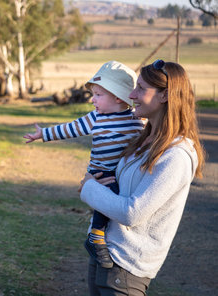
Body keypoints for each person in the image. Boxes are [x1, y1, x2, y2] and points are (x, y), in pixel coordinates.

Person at [79, 60, 205, 295]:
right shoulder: (143, 140)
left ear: (164, 96)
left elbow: (132, 213)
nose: (131, 94)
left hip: (126, 269)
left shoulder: (176, 155)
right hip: (103, 253)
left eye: (141, 88)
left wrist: (89, 188)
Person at [24, 61, 145, 268]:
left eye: (98, 95)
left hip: (121, 172)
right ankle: (96, 236)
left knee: (120, 196)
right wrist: (43, 134)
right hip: (99, 172)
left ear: (117, 97)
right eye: (93, 94)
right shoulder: (96, 118)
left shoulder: (136, 120)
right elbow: (71, 128)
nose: (92, 100)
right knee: (110, 192)